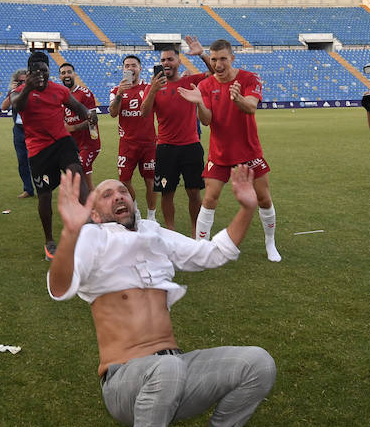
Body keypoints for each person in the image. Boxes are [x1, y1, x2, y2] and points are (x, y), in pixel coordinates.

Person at [47, 165, 275, 427]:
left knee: (259, 363)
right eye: (106, 194)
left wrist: (247, 209)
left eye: (124, 190)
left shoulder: (153, 234)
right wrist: (69, 233)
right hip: (125, 384)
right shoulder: (92, 238)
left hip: (172, 374)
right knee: (166, 367)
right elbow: (60, 287)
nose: (119, 195)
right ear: (95, 212)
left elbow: (214, 252)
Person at [178, 40, 281, 262]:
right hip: (221, 153)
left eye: (223, 58)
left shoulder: (248, 78)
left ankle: (270, 243)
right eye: (214, 59)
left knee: (264, 199)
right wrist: (198, 104)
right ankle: (199, 248)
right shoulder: (205, 86)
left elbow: (251, 107)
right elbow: (206, 121)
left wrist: (238, 99)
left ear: (232, 58)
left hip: (249, 152)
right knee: (209, 200)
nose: (218, 64)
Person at [9, 51, 93, 259]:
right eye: (36, 72)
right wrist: (28, 86)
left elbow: (77, 106)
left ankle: (89, 223)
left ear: (49, 72)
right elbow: (17, 106)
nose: (41, 76)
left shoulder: (58, 90)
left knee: (76, 173)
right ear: (29, 73)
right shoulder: (19, 91)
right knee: (44, 195)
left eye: (44, 72)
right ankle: (49, 241)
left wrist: (88, 114)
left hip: (62, 142)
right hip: (39, 150)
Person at [143, 37, 212, 236]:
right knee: (167, 192)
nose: (166, 63)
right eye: (163, 60)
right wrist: (153, 92)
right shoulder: (153, 87)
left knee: (193, 192)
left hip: (191, 146)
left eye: (170, 60)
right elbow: (144, 113)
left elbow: (216, 73)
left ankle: (195, 232)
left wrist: (201, 54)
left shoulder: (189, 81)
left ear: (179, 61)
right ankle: (171, 233)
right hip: (166, 148)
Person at [108, 55, 158, 221]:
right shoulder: (116, 90)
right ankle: (135, 209)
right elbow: (113, 113)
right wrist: (120, 94)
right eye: (127, 65)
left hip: (149, 143)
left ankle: (151, 216)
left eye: (133, 65)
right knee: (124, 181)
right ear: (123, 69)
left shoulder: (149, 88)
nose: (130, 68)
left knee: (150, 181)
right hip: (127, 144)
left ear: (140, 68)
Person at [58, 61, 100, 182]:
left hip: (88, 145)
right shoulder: (59, 94)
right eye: (63, 73)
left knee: (77, 175)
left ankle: (82, 200)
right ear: (60, 76)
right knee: (85, 180)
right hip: (72, 145)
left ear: (74, 74)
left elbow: (93, 120)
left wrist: (73, 128)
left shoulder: (84, 94)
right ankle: (91, 200)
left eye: (69, 72)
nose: (66, 75)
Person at [2, 70, 35, 199]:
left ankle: (43, 187)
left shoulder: (34, 91)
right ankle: (28, 189)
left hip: (33, 130)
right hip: (19, 131)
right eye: (20, 81)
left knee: (35, 161)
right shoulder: (14, 93)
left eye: (25, 81)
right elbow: (4, 107)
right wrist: (12, 91)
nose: (23, 83)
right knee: (22, 162)